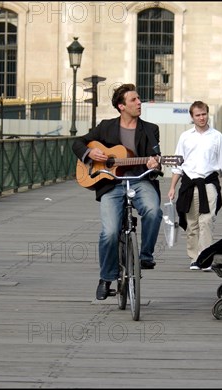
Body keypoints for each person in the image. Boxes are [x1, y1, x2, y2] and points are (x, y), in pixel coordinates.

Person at [72, 83, 162, 300]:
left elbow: (157, 159)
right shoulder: (106, 127)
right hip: (111, 183)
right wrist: (90, 153)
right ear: (121, 106)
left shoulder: (150, 129)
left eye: (139, 99)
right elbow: (77, 143)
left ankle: (146, 256)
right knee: (110, 232)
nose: (139, 102)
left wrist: (155, 164)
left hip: (139, 181)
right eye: (134, 100)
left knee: (153, 211)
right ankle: (106, 277)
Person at [167, 101, 222, 271]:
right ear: (192, 117)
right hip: (189, 184)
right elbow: (178, 164)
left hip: (209, 183)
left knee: (206, 220)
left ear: (208, 114)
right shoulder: (185, 137)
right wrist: (172, 187)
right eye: (198, 115)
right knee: (192, 223)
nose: (201, 118)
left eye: (204, 114)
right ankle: (194, 258)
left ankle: (205, 258)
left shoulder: (217, 136)